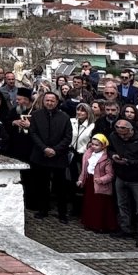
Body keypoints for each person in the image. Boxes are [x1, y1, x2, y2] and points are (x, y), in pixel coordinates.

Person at [28, 90, 73, 221]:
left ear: (57, 102)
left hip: (58, 157)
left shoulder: (64, 117)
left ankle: (62, 213)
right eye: (47, 100)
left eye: (52, 101)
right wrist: (44, 148)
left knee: (60, 187)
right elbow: (33, 133)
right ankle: (43, 210)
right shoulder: (36, 115)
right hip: (40, 156)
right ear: (43, 101)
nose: (49, 103)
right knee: (42, 186)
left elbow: (67, 137)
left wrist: (55, 150)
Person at [108, 117, 138, 245]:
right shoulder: (114, 136)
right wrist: (113, 155)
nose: (122, 137)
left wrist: (129, 162)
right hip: (121, 175)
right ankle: (125, 228)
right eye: (119, 134)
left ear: (130, 130)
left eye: (124, 134)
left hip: (137, 178)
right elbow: (110, 149)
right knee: (122, 204)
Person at [76, 133, 118, 233]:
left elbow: (110, 174)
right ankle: (89, 222)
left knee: (100, 206)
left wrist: (101, 180)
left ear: (103, 145)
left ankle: (100, 225)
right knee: (89, 203)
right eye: (93, 144)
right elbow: (84, 169)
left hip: (100, 184)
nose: (94, 146)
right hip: (90, 181)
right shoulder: (89, 154)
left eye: (97, 145)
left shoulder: (106, 158)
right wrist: (81, 180)